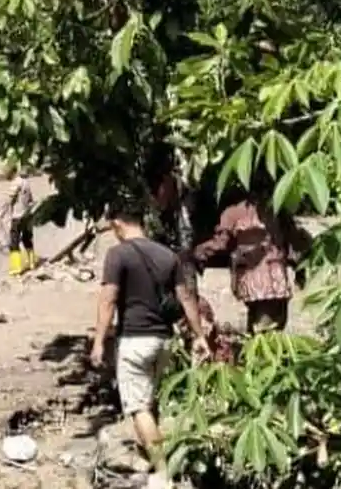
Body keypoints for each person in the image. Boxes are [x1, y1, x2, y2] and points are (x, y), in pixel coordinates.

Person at [90, 198, 209, 485]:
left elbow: (108, 299)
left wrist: (98, 341)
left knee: (138, 407)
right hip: (164, 340)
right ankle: (158, 457)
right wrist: (199, 336)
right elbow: (186, 298)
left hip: (134, 339)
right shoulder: (167, 255)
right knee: (154, 402)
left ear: (118, 223)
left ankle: (162, 472)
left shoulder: (118, 255)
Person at [190, 188, 310, 333]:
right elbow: (295, 238)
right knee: (269, 328)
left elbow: (221, 243)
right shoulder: (277, 209)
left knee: (258, 324)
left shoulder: (232, 213)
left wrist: (198, 251)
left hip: (249, 278)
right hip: (274, 277)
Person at [6, 167, 35, 276]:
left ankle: (16, 267)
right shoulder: (27, 183)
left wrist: (0, 214)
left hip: (17, 216)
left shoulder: (16, 183)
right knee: (27, 238)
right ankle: (31, 262)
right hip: (27, 215)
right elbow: (31, 201)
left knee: (14, 241)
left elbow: (9, 200)